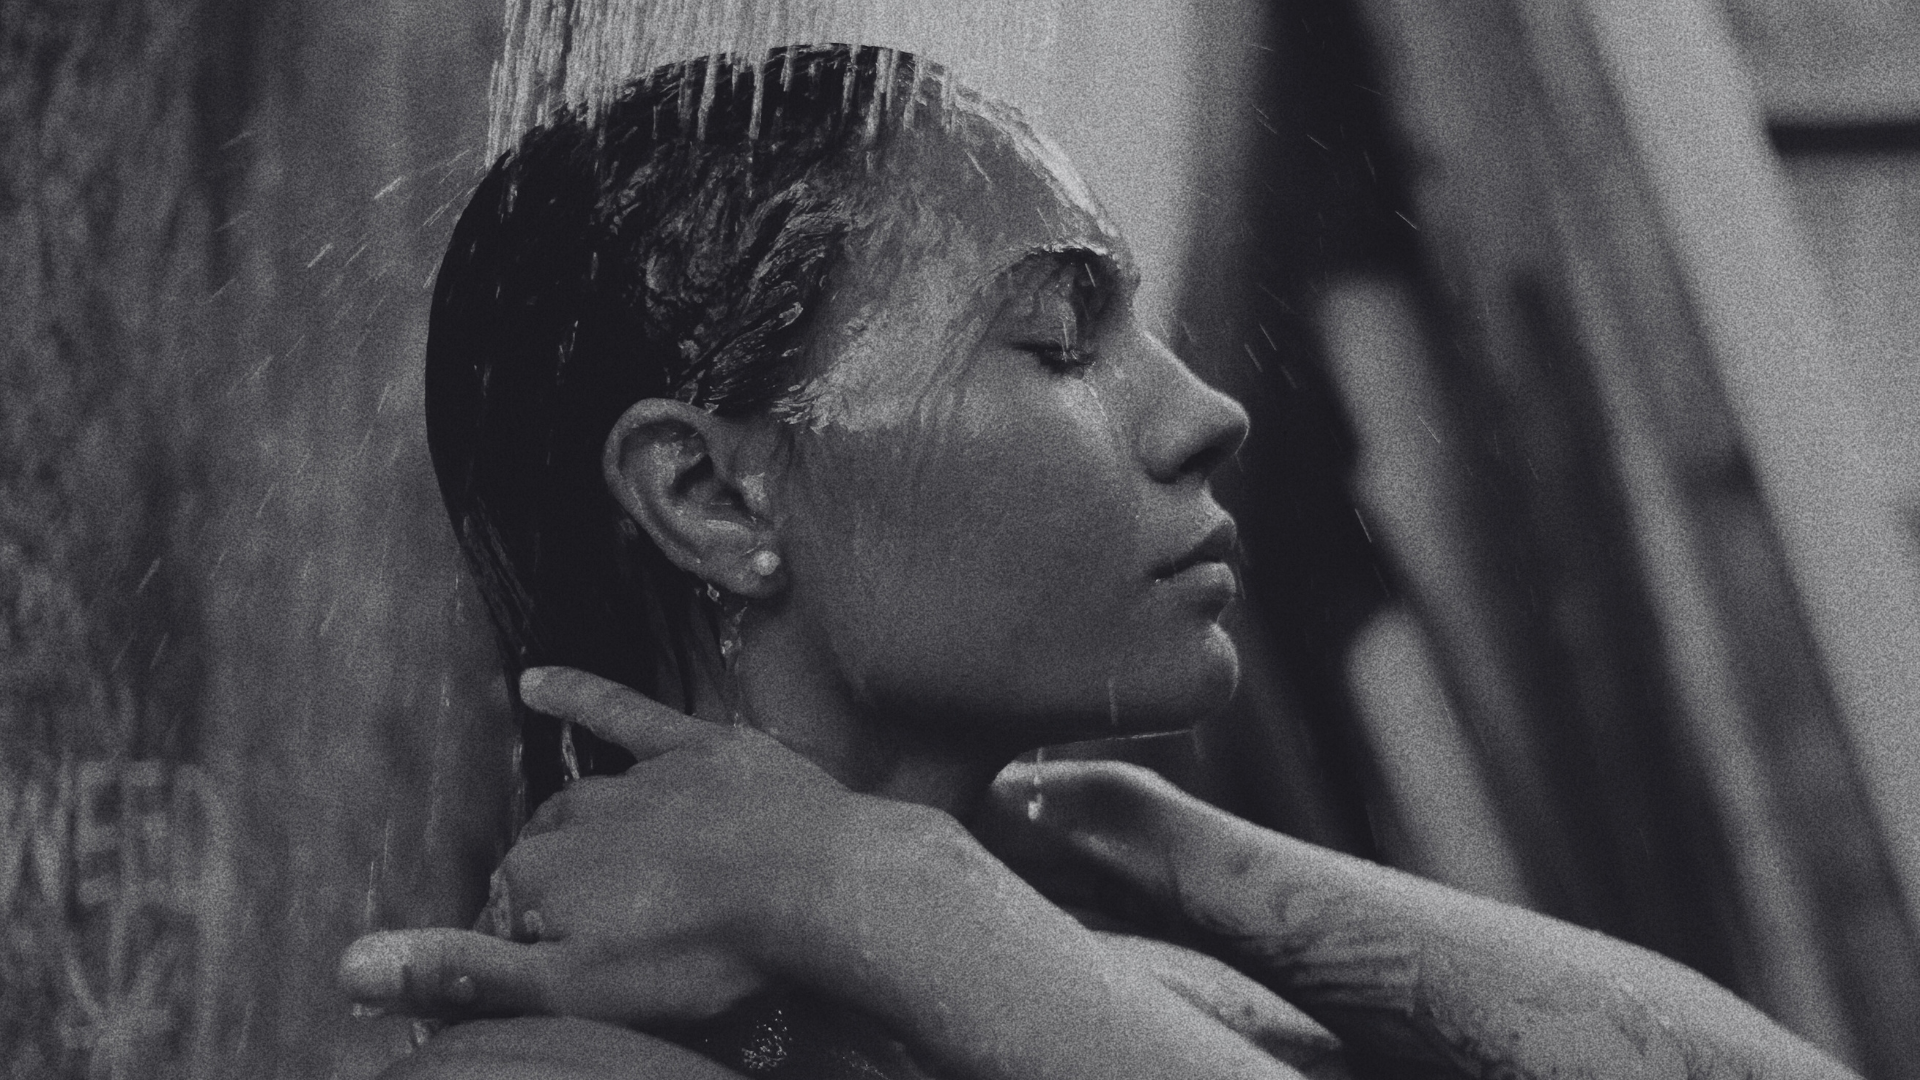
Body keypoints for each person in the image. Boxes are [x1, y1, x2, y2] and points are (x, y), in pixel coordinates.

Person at [338, 45, 1857, 1080]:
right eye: (1064, 343)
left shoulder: (1078, 988)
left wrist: (1173, 860)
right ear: (709, 494)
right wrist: (887, 892)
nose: (1207, 413)